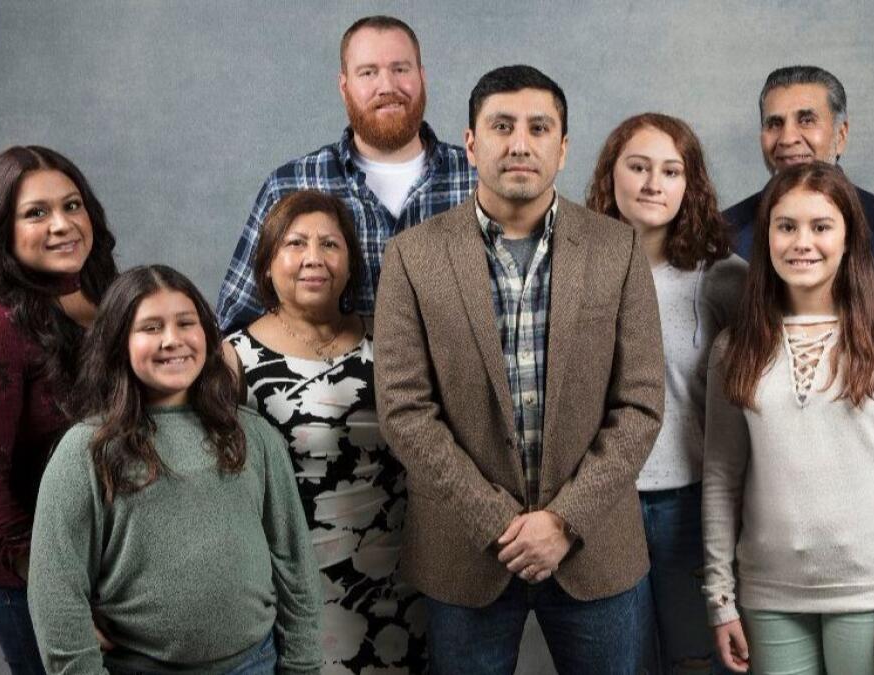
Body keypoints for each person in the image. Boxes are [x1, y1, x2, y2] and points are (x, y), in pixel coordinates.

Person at [374, 65, 664, 674]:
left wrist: (564, 520)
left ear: (562, 147)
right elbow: (405, 411)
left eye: (539, 127)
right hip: (465, 553)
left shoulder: (618, 249)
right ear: (473, 143)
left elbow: (639, 404)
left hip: (595, 547)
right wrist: (501, 522)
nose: (520, 143)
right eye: (502, 126)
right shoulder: (413, 256)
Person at [703, 162, 874, 674]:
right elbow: (722, 478)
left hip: (871, 593)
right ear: (765, 237)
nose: (801, 242)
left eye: (821, 226)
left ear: (850, 236)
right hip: (768, 595)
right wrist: (720, 596)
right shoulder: (735, 347)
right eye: (786, 226)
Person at [26, 265, 322, 674]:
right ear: (118, 343)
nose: (173, 340)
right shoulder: (85, 450)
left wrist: (303, 667)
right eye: (150, 327)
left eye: (187, 323)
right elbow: (55, 594)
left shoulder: (254, 436)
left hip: (253, 664)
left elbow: (296, 567)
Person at [223, 190, 426, 672]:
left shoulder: (391, 338)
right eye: (295, 243)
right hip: (296, 590)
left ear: (351, 264)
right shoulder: (231, 360)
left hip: (402, 581)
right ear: (268, 264)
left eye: (330, 245)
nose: (314, 258)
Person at [0, 146, 118, 674]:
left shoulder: (106, 296)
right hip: (30, 580)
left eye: (72, 205)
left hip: (112, 570)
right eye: (36, 213)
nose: (62, 225)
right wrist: (58, 598)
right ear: (1, 230)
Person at [585, 112, 745, 674]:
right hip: (602, 503)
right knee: (620, 664)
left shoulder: (725, 279)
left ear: (690, 184)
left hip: (693, 505)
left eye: (671, 170)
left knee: (695, 661)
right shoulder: (573, 272)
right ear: (612, 176)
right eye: (639, 166)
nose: (654, 183)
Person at [217, 14, 475, 332]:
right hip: (332, 380)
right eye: (368, 72)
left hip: (456, 382)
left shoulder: (479, 179)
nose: (387, 86)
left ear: (421, 77)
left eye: (400, 69)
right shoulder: (290, 186)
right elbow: (235, 324)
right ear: (344, 86)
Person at [722, 65, 874, 316]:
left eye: (807, 120)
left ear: (841, 135)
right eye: (774, 123)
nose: (788, 138)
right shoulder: (724, 231)